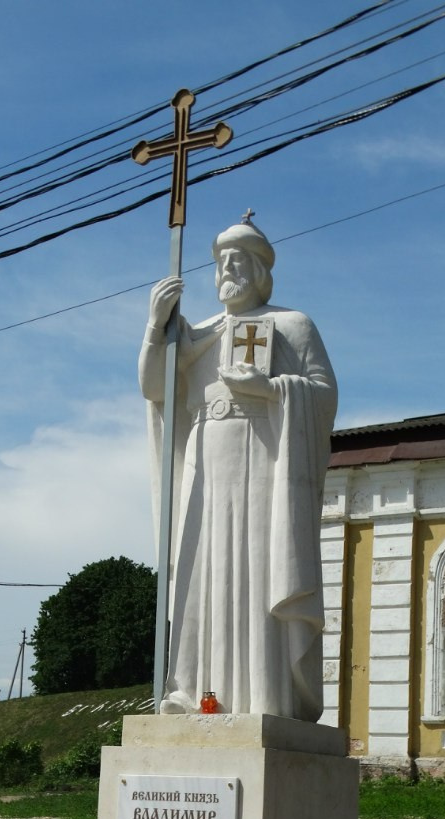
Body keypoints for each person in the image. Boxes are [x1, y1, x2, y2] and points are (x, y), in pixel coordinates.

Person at [138, 217, 337, 720]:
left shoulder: (294, 324)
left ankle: (264, 697)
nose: (228, 269)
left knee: (256, 568)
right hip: (205, 459)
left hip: (264, 461)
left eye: (239, 259)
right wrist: (155, 327)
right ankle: (192, 692)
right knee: (200, 572)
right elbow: (155, 389)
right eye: (221, 261)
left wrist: (271, 390)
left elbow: (324, 394)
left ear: (260, 269)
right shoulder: (196, 332)